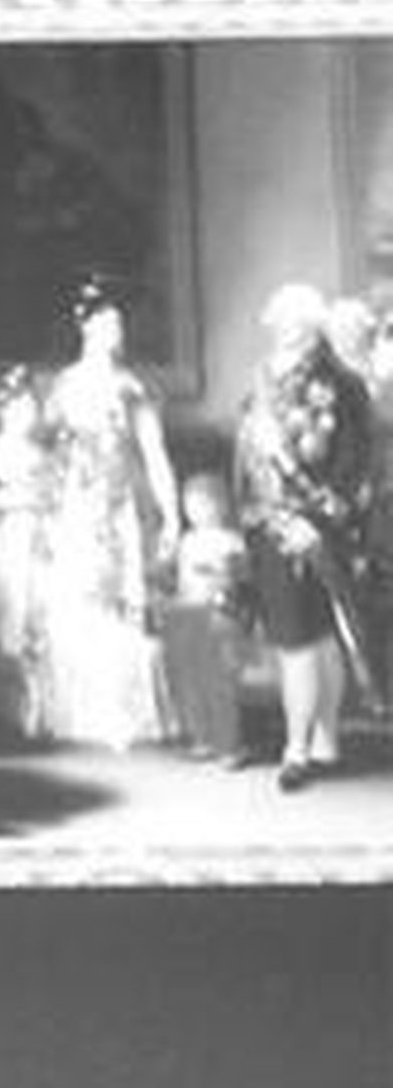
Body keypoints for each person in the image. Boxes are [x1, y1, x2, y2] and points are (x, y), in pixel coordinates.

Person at [234, 283, 374, 792]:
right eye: (282, 318)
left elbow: (357, 460)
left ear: (315, 325)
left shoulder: (342, 383)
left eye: (300, 319)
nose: (289, 327)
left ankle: (305, 747)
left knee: (310, 638)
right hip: (270, 525)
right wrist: (257, 517)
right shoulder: (261, 381)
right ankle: (318, 741)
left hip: (319, 527)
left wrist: (317, 518)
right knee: (303, 638)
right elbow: (246, 458)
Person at [40, 275, 180, 750]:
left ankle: (127, 716)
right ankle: (84, 714)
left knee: (124, 598)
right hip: (79, 506)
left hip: (122, 506)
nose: (115, 333)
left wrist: (171, 513)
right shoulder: (63, 386)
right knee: (83, 598)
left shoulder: (133, 387)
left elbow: (155, 453)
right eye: (106, 324)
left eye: (119, 324)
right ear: (87, 328)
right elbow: (49, 455)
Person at [0, 366, 54, 740]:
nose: (26, 416)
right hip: (2, 535)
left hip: (37, 535)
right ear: (2, 411)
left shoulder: (43, 452)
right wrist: (25, 498)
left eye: (31, 408)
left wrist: (40, 503)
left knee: (35, 612)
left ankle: (34, 708)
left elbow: (54, 494)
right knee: (3, 612)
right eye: (18, 408)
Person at [159, 472, 250, 762]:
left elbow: (241, 576)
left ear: (221, 506)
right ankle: (202, 738)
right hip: (189, 614)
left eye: (203, 505)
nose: (196, 513)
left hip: (219, 614)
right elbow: (175, 577)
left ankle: (229, 744)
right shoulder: (186, 541)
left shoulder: (232, 540)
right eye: (190, 507)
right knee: (191, 679)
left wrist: (219, 573)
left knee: (220, 681)